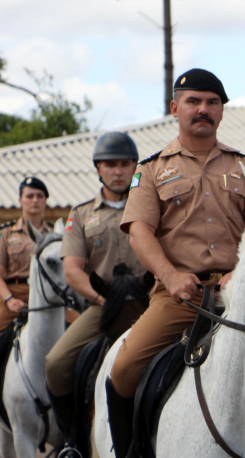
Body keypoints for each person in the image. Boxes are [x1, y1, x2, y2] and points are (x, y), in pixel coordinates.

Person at [104, 69, 245, 457]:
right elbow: (139, 231)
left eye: (212, 102)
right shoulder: (152, 169)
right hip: (178, 297)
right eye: (193, 101)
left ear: (222, 111)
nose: (203, 110)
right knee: (122, 371)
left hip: (237, 294)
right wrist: (171, 276)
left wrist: (238, 274)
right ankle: (130, 452)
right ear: (175, 108)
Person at [44, 132, 146, 444]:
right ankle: (72, 437)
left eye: (125, 164)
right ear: (98, 169)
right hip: (102, 306)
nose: (118, 171)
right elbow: (73, 270)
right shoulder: (82, 214)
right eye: (110, 165)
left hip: (149, 304)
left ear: (134, 168)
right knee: (55, 364)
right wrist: (103, 298)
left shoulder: (153, 207)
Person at [0, 177, 54, 332]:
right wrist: (9, 300)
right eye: (29, 196)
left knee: (76, 329)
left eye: (40, 196)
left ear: (45, 201)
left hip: (49, 297)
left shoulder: (54, 234)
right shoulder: (6, 234)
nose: (35, 200)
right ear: (20, 200)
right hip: (15, 294)